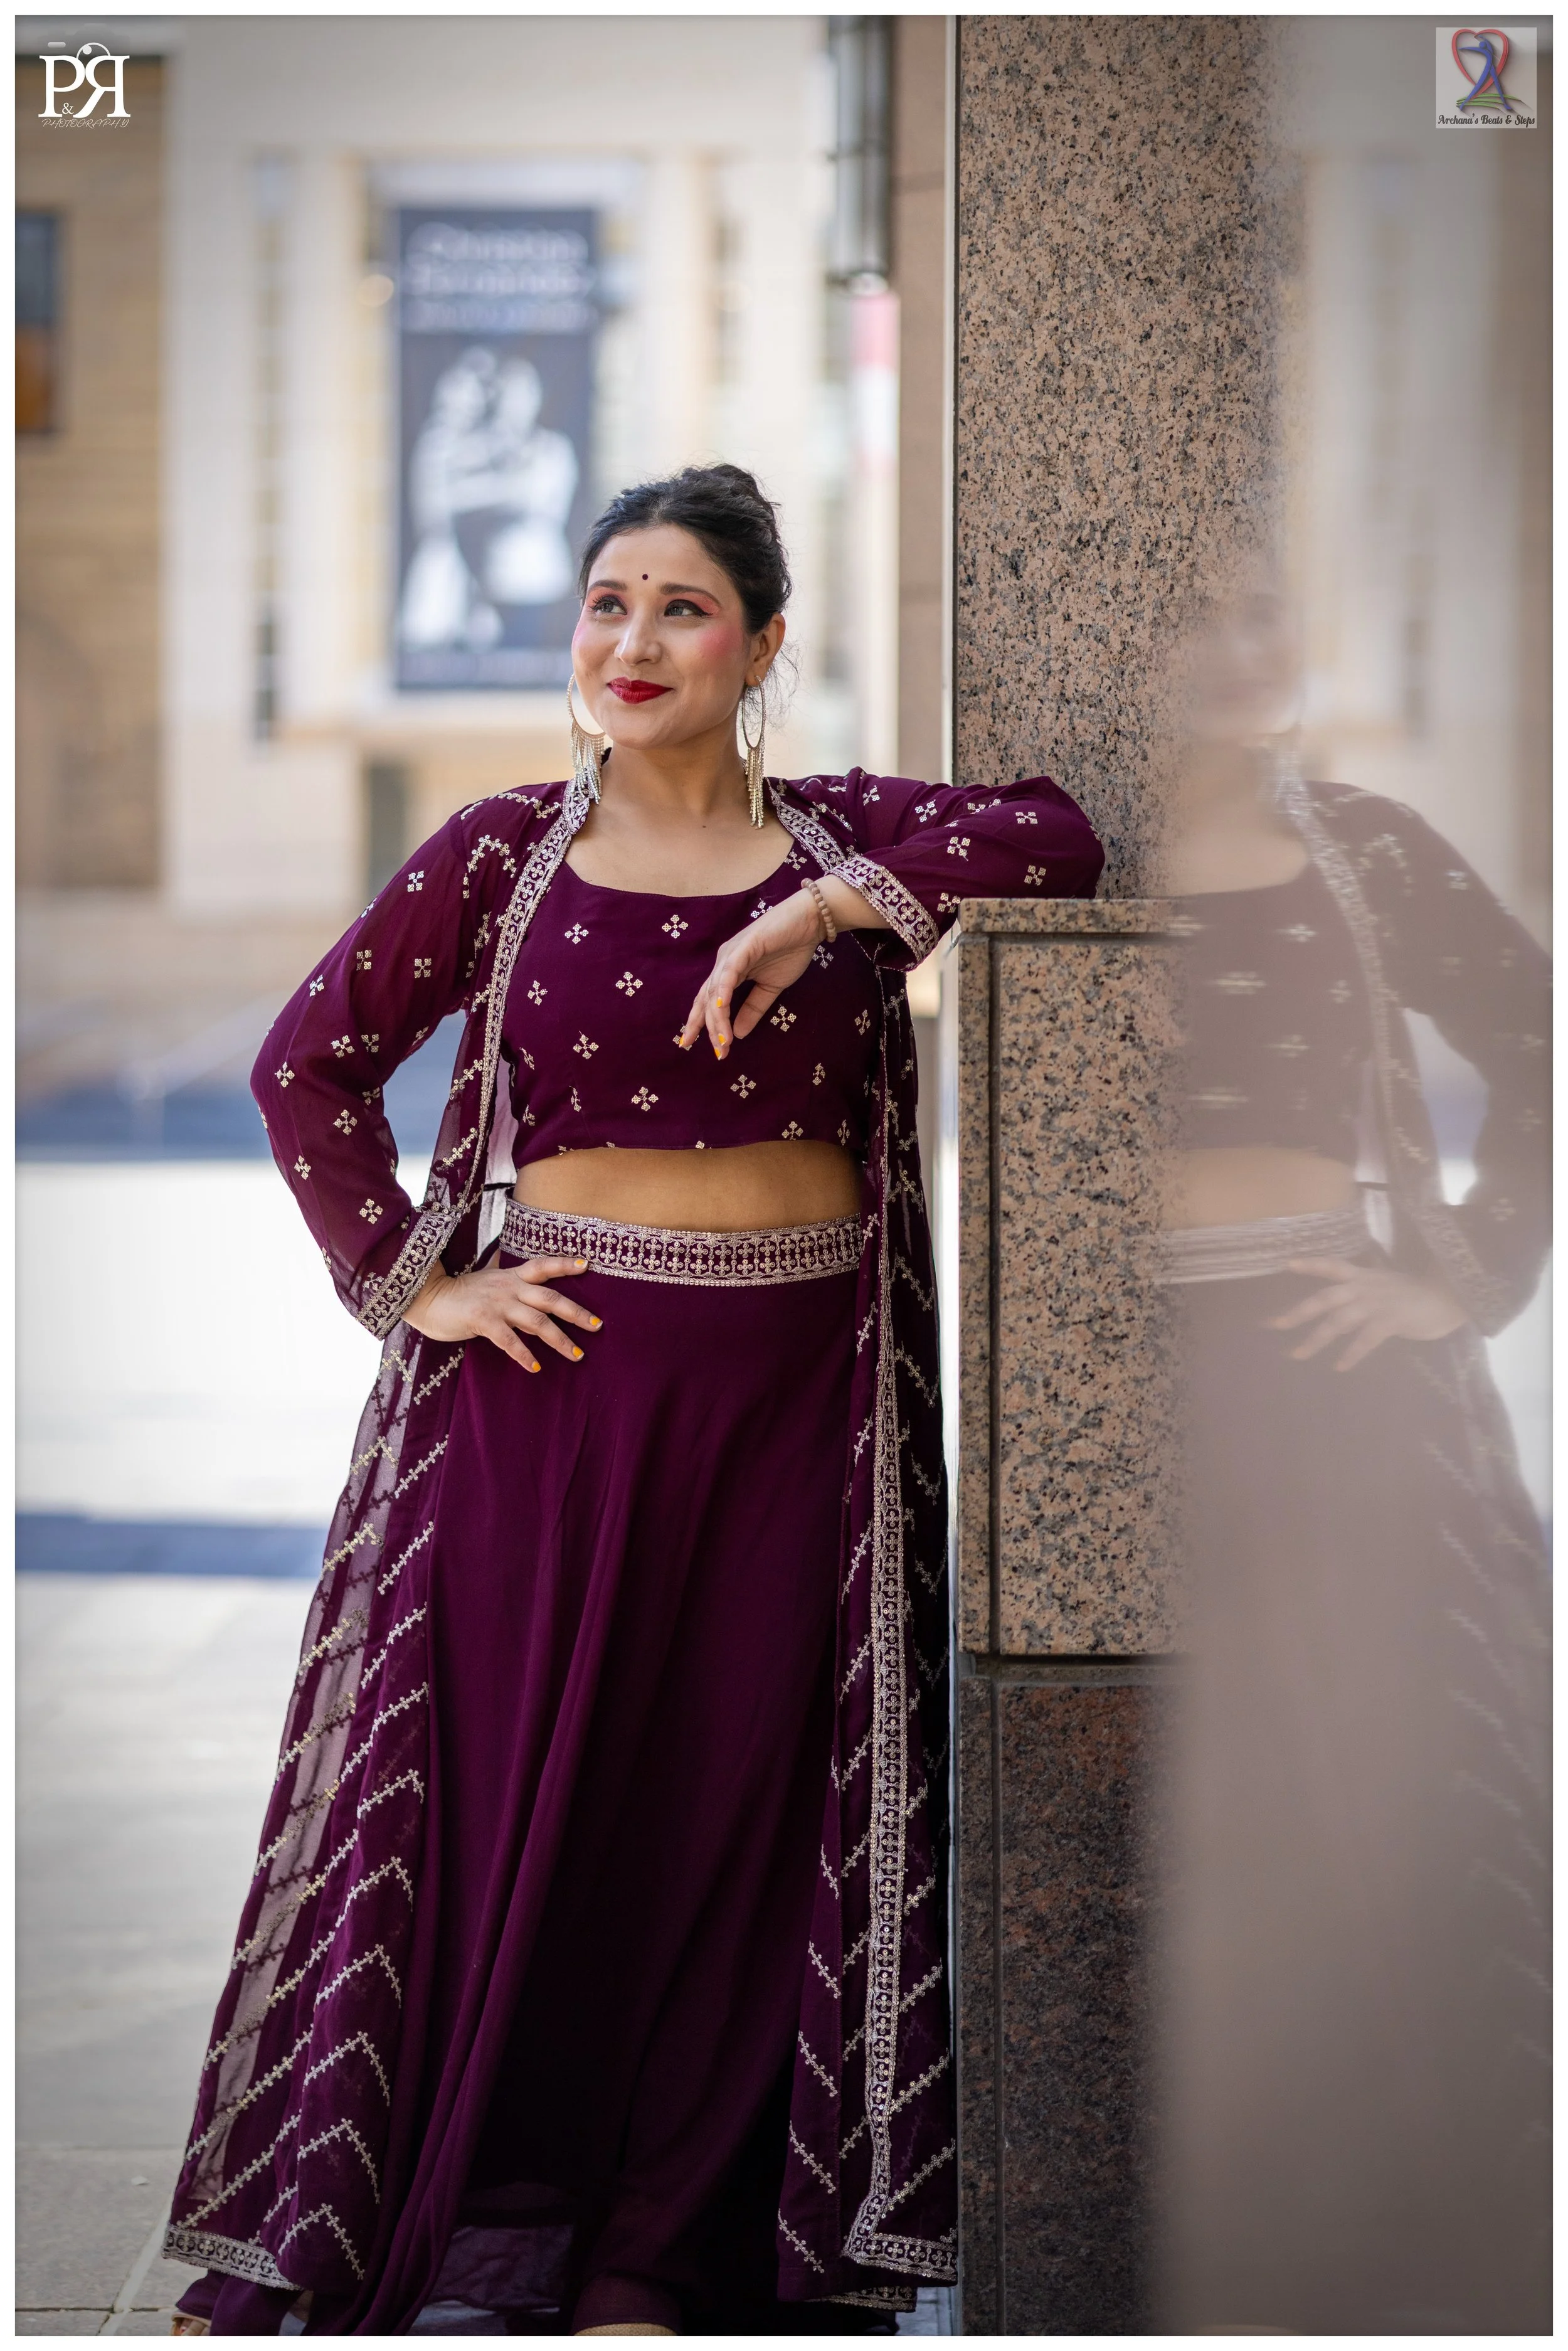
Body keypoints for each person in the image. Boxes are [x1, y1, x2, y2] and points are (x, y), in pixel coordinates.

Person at [165, 464, 1104, 2335]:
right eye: (608, 604)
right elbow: (307, 1067)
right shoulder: (503, 854)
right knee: (533, 1815)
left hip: (792, 1410)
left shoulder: (840, 837)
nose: (635, 641)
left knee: (735, 1825)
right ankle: (477, 2220)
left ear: (763, 643)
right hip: (556, 1404)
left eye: (683, 607)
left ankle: (655, 2260)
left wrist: (823, 912)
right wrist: (421, 1284)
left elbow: (1059, 838)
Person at [1157, 591, 1550, 2333]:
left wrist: (1457, 1277)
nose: (1255, 644)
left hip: (1344, 1374)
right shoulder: (1050, 855)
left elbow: (1540, 1035)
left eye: (1274, 611)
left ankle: (1432, 2251)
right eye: (1207, 614)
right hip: (1125, 1383)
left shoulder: (1365, 845)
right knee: (1206, 1819)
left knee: (1398, 1799)